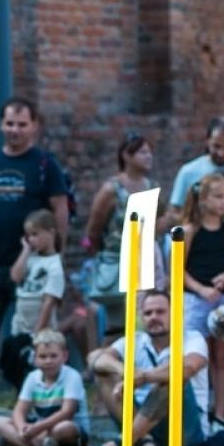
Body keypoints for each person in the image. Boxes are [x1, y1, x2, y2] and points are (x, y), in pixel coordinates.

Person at [0, 98, 71, 427]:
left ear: (34, 126)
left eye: (22, 124)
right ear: (1, 125)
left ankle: (27, 408)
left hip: (33, 270)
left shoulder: (44, 165)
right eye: (10, 124)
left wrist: (56, 253)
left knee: (27, 341)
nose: (16, 130)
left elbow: (60, 208)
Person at [83, 289, 211, 446]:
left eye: (160, 312)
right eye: (148, 313)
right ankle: (146, 441)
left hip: (184, 427)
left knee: (172, 378)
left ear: (175, 313)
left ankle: (123, 442)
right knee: (104, 372)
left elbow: (190, 366)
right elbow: (94, 358)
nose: (153, 317)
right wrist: (125, 371)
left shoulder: (192, 338)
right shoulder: (134, 340)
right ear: (141, 317)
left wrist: (144, 377)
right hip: (142, 417)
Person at [179, 173, 224, 422]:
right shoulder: (189, 231)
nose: (223, 202)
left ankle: (220, 412)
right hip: (195, 300)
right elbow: (179, 270)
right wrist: (201, 289)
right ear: (203, 199)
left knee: (221, 358)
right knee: (196, 355)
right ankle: (198, 410)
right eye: (217, 196)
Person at [83, 132, 157, 325]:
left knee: (143, 321)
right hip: (116, 261)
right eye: (142, 152)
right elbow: (93, 229)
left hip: (144, 262)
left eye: (149, 152)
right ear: (126, 155)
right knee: (117, 326)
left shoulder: (151, 187)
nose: (148, 156)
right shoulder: (112, 190)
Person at [0, 208, 65, 389]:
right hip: (20, 323)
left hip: (40, 326)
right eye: (28, 235)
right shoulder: (31, 258)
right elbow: (15, 276)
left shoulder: (55, 265)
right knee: (16, 362)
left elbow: (49, 301)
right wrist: (26, 251)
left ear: (51, 232)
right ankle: (21, 397)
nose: (31, 239)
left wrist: (38, 332)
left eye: (35, 234)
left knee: (36, 365)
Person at [0, 328, 87, 446]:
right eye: (43, 356)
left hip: (65, 426)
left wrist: (37, 428)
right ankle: (39, 444)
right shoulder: (32, 377)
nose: (48, 361)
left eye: (53, 356)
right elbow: (19, 410)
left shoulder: (72, 376)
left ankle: (15, 442)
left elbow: (67, 412)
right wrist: (21, 428)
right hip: (39, 427)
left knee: (64, 428)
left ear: (65, 356)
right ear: (35, 359)